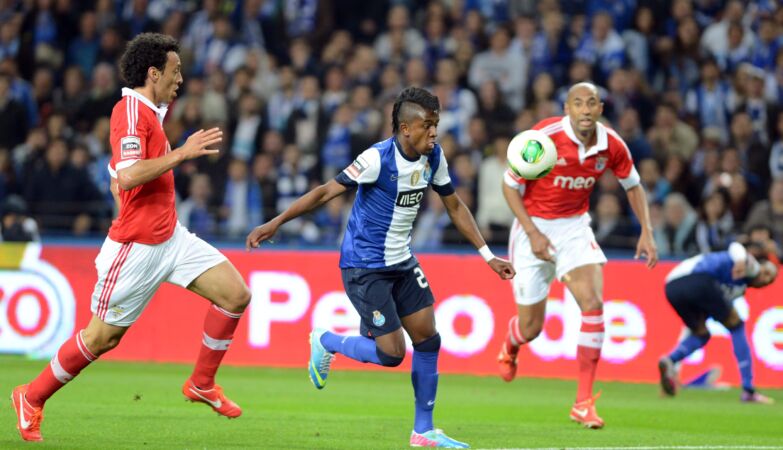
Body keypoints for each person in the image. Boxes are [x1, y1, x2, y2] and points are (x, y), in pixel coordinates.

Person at [11, 33, 252, 442]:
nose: (180, 80)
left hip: (171, 238)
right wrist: (182, 153)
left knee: (235, 295)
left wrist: (118, 179)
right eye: (174, 72)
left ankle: (201, 383)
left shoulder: (149, 113)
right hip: (136, 248)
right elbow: (128, 174)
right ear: (154, 73)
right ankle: (31, 396)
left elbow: (117, 171)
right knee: (102, 338)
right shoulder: (130, 111)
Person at [247, 87, 515, 448]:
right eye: (428, 125)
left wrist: (488, 256)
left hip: (402, 261)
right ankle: (326, 340)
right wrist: (274, 223)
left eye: (436, 124)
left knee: (428, 338)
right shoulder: (377, 159)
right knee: (392, 354)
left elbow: (455, 207)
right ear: (406, 128)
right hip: (364, 266)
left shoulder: (434, 159)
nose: (434, 133)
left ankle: (423, 431)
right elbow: (326, 192)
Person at [497, 82, 658, 429]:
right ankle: (511, 344)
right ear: (567, 109)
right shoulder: (544, 137)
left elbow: (633, 185)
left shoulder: (611, 144)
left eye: (592, 104)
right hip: (532, 227)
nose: (585, 110)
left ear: (600, 109)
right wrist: (533, 232)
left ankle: (583, 402)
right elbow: (510, 185)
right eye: (578, 103)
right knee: (531, 327)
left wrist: (647, 230)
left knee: (593, 302)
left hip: (572, 228)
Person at [658, 242, 777, 404]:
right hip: (696, 278)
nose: (766, 279)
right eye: (767, 273)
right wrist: (742, 260)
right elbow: (736, 246)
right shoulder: (750, 267)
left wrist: (675, 368)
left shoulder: (737, 289)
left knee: (701, 333)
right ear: (760, 266)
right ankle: (748, 390)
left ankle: (670, 361)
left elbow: (690, 328)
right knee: (737, 325)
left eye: (770, 280)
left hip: (672, 288)